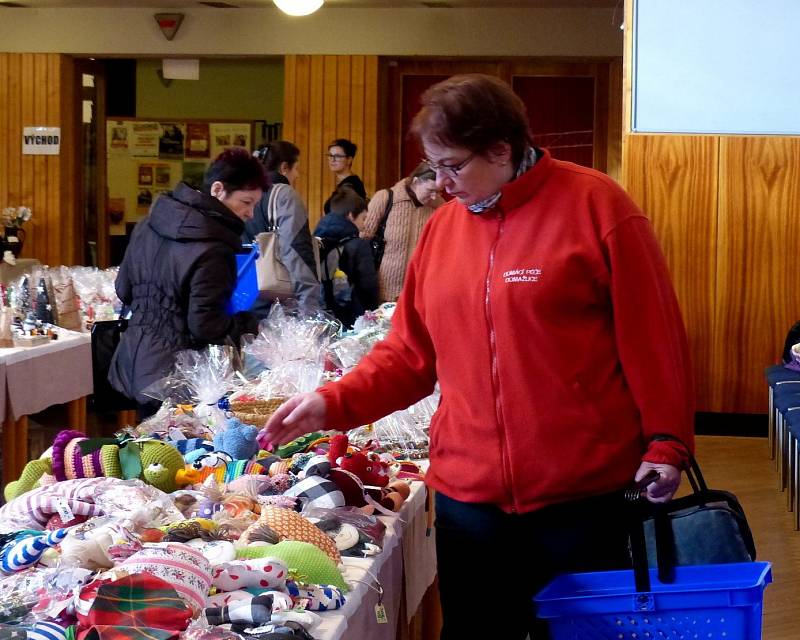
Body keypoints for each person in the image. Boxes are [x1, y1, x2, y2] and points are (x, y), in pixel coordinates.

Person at [261, 74, 694, 639]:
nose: (440, 184)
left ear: (502, 149)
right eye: (432, 167)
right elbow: (410, 355)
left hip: (582, 499)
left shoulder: (597, 207)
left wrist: (667, 440)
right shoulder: (443, 232)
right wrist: (332, 402)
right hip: (470, 502)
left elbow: (653, 338)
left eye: (453, 166)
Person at [110, 148, 266, 419]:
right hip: (177, 374)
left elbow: (123, 289)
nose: (251, 213)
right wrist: (249, 325)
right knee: (175, 454)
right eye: (246, 202)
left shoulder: (150, 222)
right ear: (218, 189)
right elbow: (205, 324)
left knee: (147, 452)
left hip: (135, 360)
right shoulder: (214, 247)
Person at [245, 141, 320, 316]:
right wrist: (309, 303)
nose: (298, 175)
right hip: (275, 299)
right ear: (284, 167)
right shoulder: (284, 194)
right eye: (296, 169)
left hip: (243, 294)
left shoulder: (243, 193)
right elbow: (295, 248)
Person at [360, 161, 440, 302]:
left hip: (417, 294)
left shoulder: (439, 207)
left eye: (438, 191)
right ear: (416, 182)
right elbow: (363, 238)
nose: (434, 196)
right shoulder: (385, 198)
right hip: (382, 292)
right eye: (430, 190)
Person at [313, 187, 378, 327]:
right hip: (351, 318)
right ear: (350, 216)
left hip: (319, 315)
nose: (364, 224)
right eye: (363, 218)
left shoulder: (316, 240)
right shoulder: (359, 245)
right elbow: (368, 287)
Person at [322, 138, 366, 214]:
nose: (332, 160)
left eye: (338, 156)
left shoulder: (352, 185)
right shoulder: (348, 183)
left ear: (349, 160)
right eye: (330, 155)